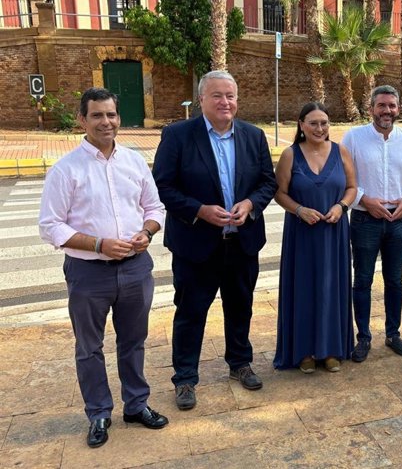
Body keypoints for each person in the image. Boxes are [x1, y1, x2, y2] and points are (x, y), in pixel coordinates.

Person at [38, 88, 168, 448]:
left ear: (118, 118)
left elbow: (155, 208)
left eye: (111, 115)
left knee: (134, 341)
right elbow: (51, 226)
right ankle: (98, 413)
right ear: (82, 120)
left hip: (135, 268)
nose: (106, 122)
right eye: (97, 115)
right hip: (88, 273)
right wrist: (99, 244)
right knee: (89, 347)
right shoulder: (66, 169)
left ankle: (136, 405)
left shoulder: (134, 161)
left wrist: (146, 232)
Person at [152, 71, 277, 410]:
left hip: (242, 241)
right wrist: (199, 210)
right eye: (218, 96)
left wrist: (250, 204)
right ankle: (185, 379)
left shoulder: (254, 135)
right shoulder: (178, 135)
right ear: (202, 99)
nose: (226, 102)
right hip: (196, 245)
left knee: (240, 306)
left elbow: (268, 183)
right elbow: (163, 186)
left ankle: (239, 363)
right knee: (191, 312)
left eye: (231, 96)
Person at [273, 102, 357, 373]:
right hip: (302, 234)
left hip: (334, 232)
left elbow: (353, 187)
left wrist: (341, 207)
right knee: (304, 288)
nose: (320, 128)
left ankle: (331, 349)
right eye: (313, 123)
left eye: (324, 123)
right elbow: (279, 193)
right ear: (301, 125)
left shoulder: (341, 151)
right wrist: (299, 210)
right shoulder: (289, 155)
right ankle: (305, 351)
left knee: (332, 288)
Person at [342, 85, 402, 362]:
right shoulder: (353, 138)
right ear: (371, 108)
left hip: (398, 219)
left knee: (395, 281)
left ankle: (393, 334)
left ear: (399, 108)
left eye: (392, 105)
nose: (387, 111)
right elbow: (344, 178)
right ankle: (363, 337)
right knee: (362, 280)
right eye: (381, 105)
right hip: (365, 218)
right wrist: (366, 200)